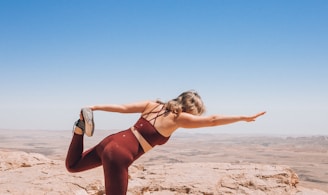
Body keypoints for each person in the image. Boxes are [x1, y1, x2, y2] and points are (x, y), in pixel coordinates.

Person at [66, 90, 266, 195]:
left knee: (73, 166)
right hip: (119, 155)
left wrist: (94, 107)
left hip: (112, 140)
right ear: (191, 109)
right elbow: (212, 120)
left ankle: (78, 130)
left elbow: (120, 107)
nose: (196, 117)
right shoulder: (179, 118)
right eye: (197, 114)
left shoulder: (152, 105)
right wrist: (242, 117)